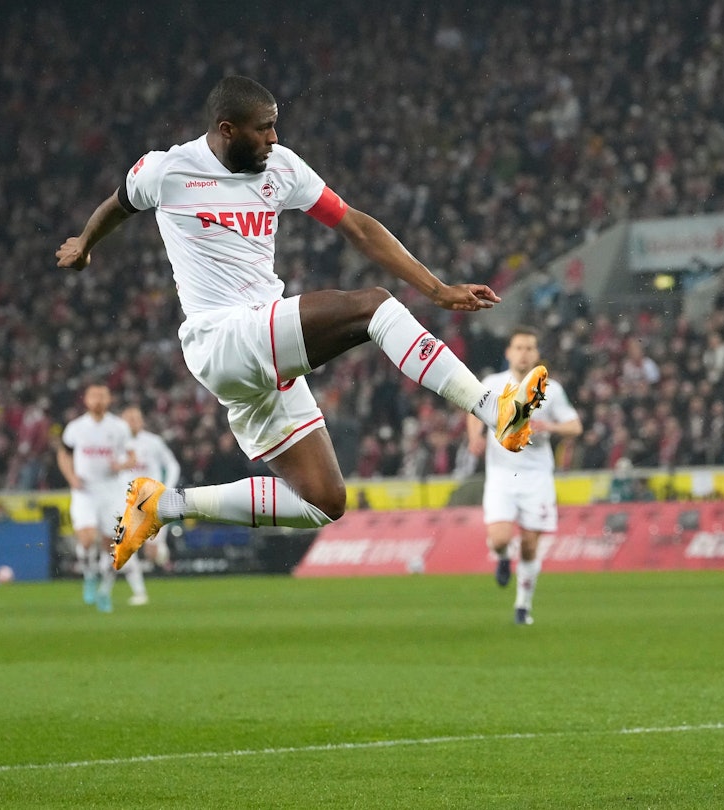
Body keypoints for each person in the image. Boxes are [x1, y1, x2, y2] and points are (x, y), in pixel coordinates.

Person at [55, 75, 546, 570]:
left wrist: (436, 287)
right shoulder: (167, 170)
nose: (273, 138)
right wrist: (84, 244)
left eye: (275, 127)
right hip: (220, 336)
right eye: (263, 129)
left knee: (322, 502)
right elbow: (118, 203)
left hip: (260, 348)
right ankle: (492, 407)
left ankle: (162, 505)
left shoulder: (281, 166)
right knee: (372, 306)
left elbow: (354, 223)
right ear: (227, 129)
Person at [466, 327, 582, 625]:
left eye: (530, 348)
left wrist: (551, 428)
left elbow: (575, 426)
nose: (523, 353)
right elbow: (471, 409)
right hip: (502, 475)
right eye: (518, 347)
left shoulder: (551, 390)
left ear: (536, 354)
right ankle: (504, 558)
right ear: (508, 352)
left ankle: (522, 607)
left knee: (530, 544)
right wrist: (474, 436)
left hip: (536, 476)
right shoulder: (492, 384)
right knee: (500, 537)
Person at [56, 383, 146, 611]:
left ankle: (104, 591)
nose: (98, 400)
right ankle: (89, 575)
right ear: (86, 400)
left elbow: (133, 456)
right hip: (84, 490)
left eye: (102, 396)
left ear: (109, 400)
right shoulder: (76, 427)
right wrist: (71, 477)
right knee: (86, 540)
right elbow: (63, 455)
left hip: (111, 491)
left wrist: (122, 464)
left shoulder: (119, 427)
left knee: (112, 545)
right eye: (94, 396)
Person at [121, 406, 182, 571]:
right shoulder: (117, 443)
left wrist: (167, 488)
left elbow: (172, 465)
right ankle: (137, 583)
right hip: (126, 499)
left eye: (136, 419)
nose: (133, 423)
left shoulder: (153, 442)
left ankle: (162, 566)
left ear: (142, 421)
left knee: (153, 549)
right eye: (129, 419)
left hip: (153, 498)